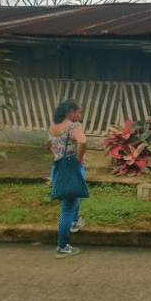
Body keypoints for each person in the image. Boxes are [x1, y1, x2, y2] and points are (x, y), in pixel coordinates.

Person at [48, 98, 88, 259]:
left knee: (72, 195)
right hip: (72, 168)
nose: (80, 115)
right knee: (67, 207)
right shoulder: (74, 127)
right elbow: (83, 141)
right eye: (79, 112)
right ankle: (62, 246)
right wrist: (79, 159)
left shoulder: (53, 127)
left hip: (58, 168)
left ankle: (75, 221)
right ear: (71, 112)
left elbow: (52, 146)